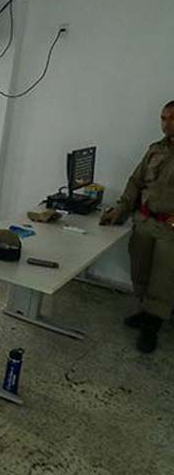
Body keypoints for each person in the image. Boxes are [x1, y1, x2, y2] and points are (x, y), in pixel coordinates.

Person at [100, 100, 174, 353]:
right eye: (163, 118)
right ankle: (145, 311)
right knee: (140, 270)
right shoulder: (155, 150)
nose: (166, 124)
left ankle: (152, 326)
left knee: (163, 279)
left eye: (172, 118)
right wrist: (120, 210)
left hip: (169, 229)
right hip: (144, 221)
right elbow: (135, 182)